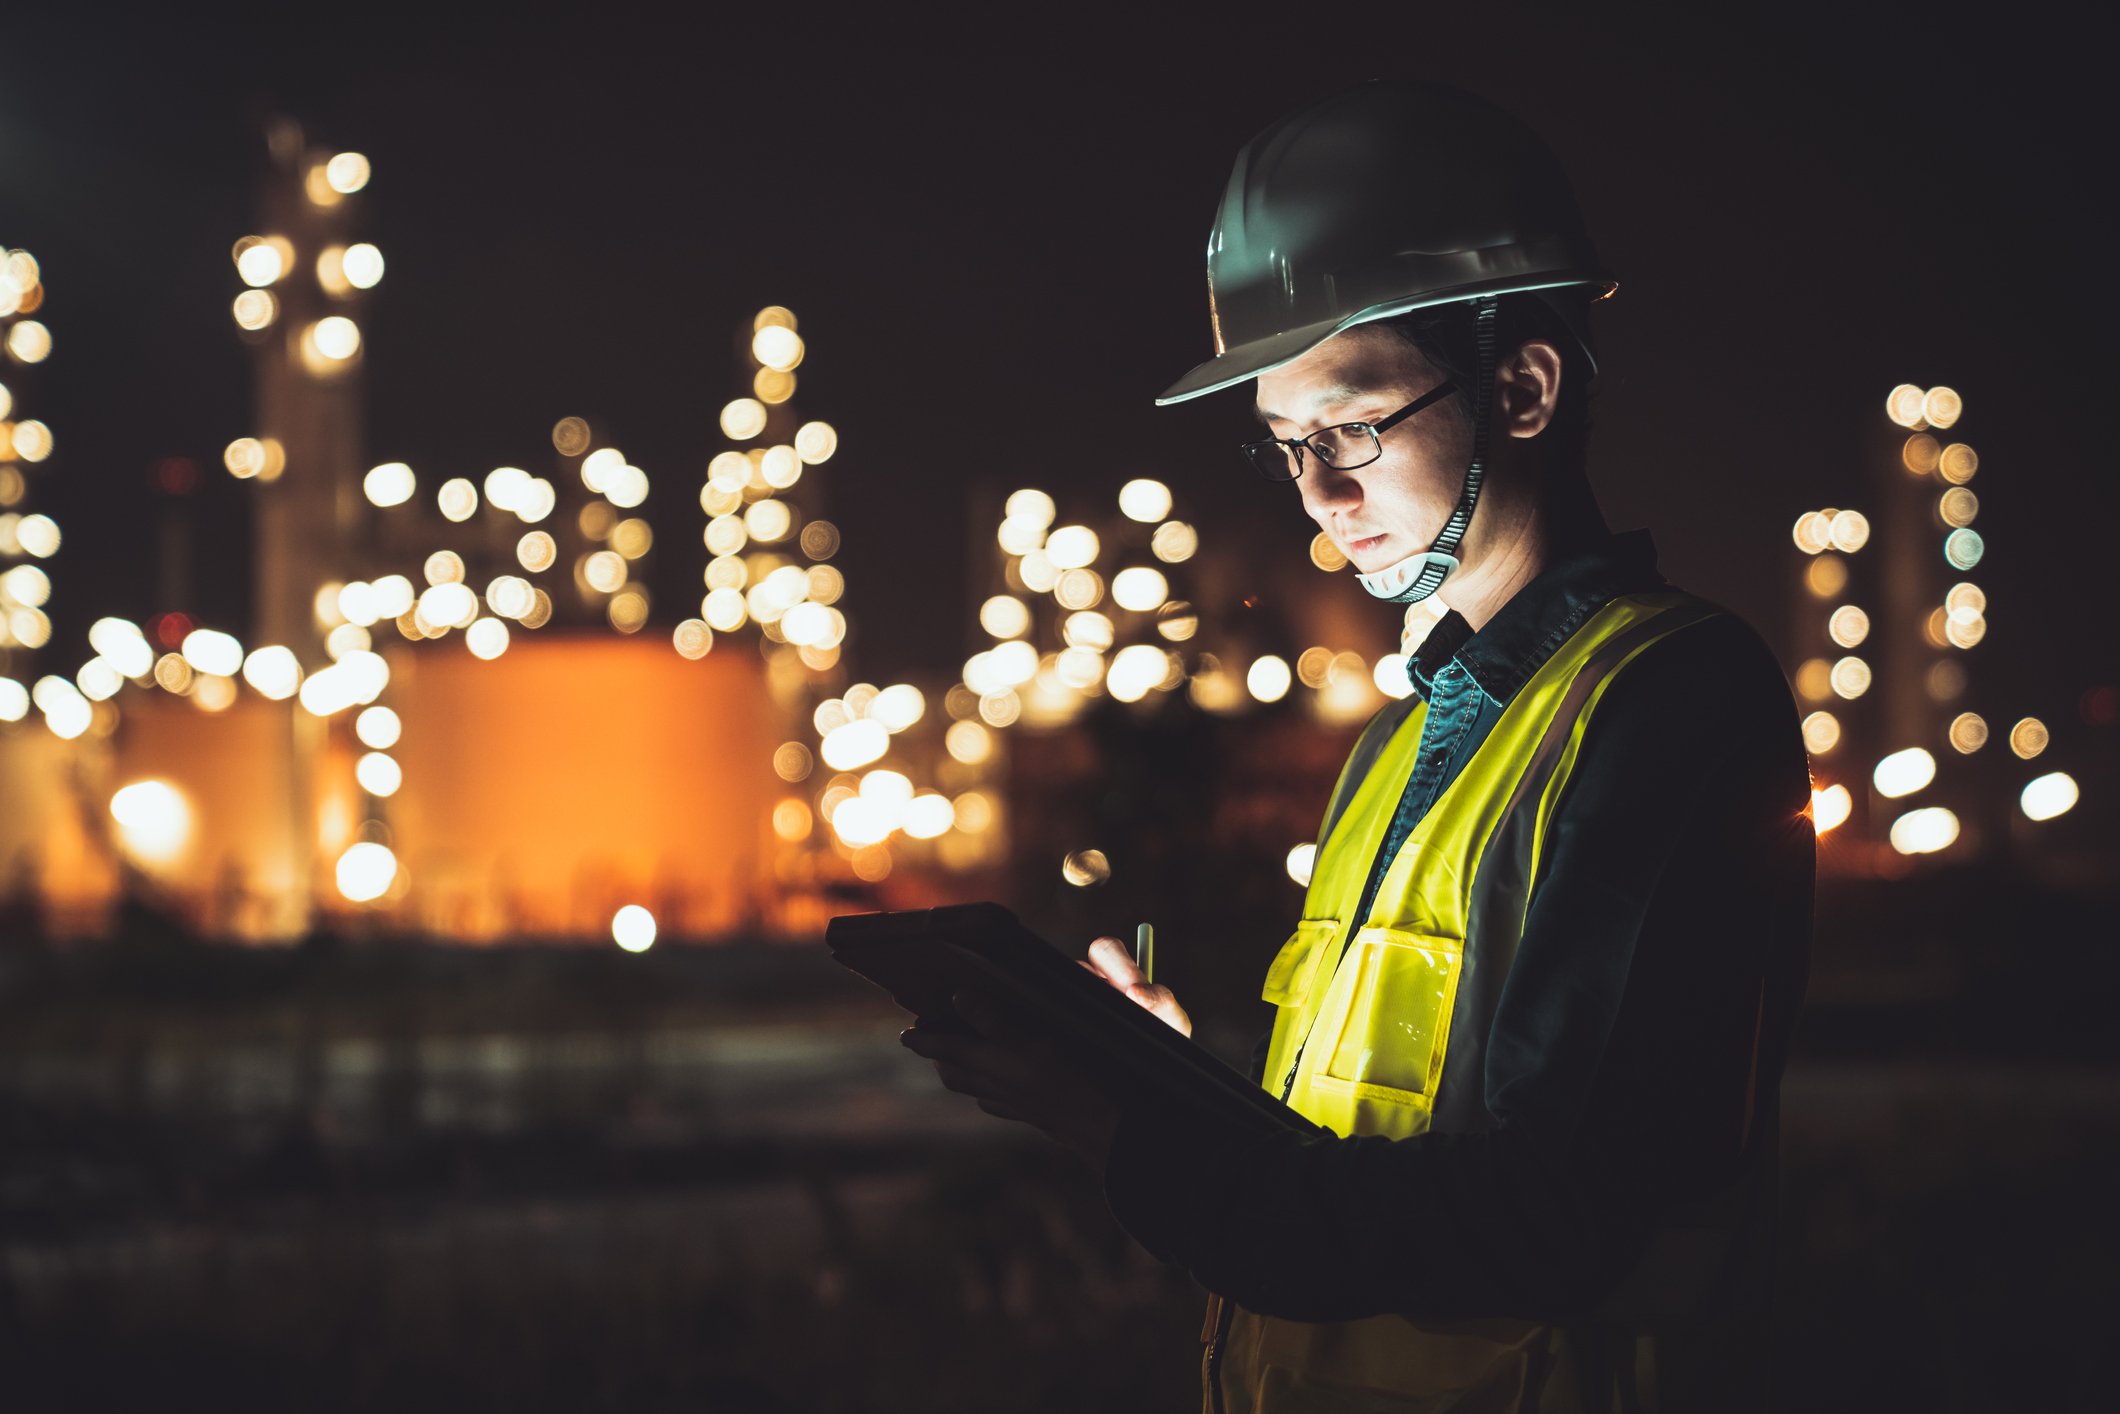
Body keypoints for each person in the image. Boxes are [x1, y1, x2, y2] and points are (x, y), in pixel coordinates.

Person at [902, 80, 1814, 1412]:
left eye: (1353, 427)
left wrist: (1134, 1133)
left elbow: (1561, 1211)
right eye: (1285, 445)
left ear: (1522, 384)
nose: (1322, 494)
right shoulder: (1392, 749)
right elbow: (1365, 1150)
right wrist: (1169, 1080)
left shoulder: (1672, 704)